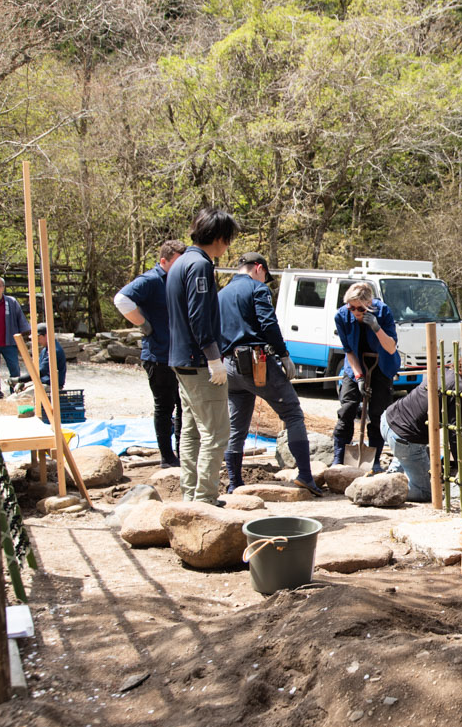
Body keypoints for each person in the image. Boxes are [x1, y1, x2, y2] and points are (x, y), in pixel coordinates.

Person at [218, 252, 323, 497]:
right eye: (265, 276)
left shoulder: (221, 294)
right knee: (292, 413)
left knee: (236, 426)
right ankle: (305, 475)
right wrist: (283, 354)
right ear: (258, 267)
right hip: (256, 363)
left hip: (229, 365)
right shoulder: (257, 289)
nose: (264, 281)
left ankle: (234, 482)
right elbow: (268, 323)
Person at [166, 207, 238, 505]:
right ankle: (205, 498)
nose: (228, 246)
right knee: (217, 432)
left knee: (192, 431)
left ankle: (190, 494)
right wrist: (213, 357)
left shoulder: (180, 262)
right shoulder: (200, 265)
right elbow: (199, 316)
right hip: (199, 361)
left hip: (180, 358)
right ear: (219, 237)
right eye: (228, 239)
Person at [380, 349, 462, 502]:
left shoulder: (444, 372)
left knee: (409, 460)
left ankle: (391, 476)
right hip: (405, 437)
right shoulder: (458, 390)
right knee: (426, 492)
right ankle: (386, 490)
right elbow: (453, 434)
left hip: (388, 420)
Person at [115, 239, 186, 468]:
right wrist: (143, 324)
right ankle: (167, 457)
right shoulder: (151, 280)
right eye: (177, 262)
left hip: (180, 354)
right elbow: (121, 299)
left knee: (184, 406)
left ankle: (183, 453)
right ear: (164, 261)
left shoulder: (179, 280)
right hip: (158, 355)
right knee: (165, 407)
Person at [332, 282, 401, 471]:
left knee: (378, 413)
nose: (355, 311)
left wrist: (376, 327)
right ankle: (338, 458)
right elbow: (348, 350)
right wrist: (359, 377)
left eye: (360, 308)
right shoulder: (341, 316)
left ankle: (375, 460)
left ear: (369, 303)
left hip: (382, 364)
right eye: (351, 307)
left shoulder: (383, 311)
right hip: (356, 363)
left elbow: (391, 347)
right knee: (347, 408)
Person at [0, 275, 31, 399]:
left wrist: (26, 334)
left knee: (14, 368)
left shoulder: (11, 302)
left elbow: (21, 320)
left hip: (9, 342)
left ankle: (15, 392)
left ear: (3, 288)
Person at [35, 323, 66, 388]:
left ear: (47, 335)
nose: (38, 341)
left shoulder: (54, 351)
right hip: (43, 383)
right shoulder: (45, 350)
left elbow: (41, 371)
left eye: (39, 338)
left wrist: (20, 379)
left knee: (21, 395)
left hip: (52, 387)